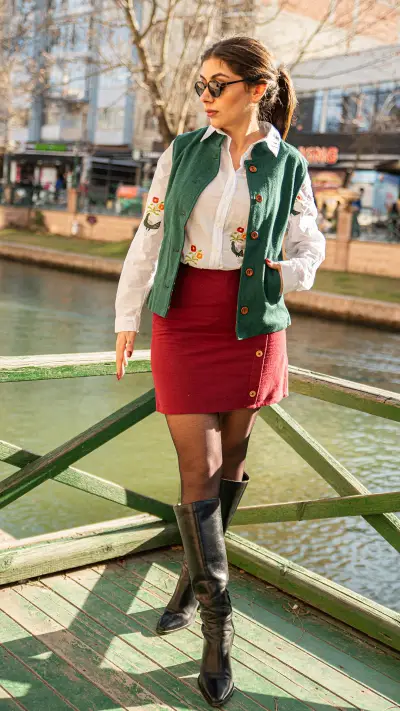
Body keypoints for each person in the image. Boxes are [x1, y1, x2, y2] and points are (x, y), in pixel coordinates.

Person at [114, 35, 325, 707]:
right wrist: (126, 315)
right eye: (200, 85)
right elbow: (150, 234)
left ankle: (190, 581)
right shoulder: (180, 152)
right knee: (199, 465)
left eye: (218, 85)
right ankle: (218, 623)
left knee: (232, 459)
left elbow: (310, 241)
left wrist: (287, 273)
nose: (204, 96)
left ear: (256, 90)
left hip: (252, 323)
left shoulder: (289, 162)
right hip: (183, 318)